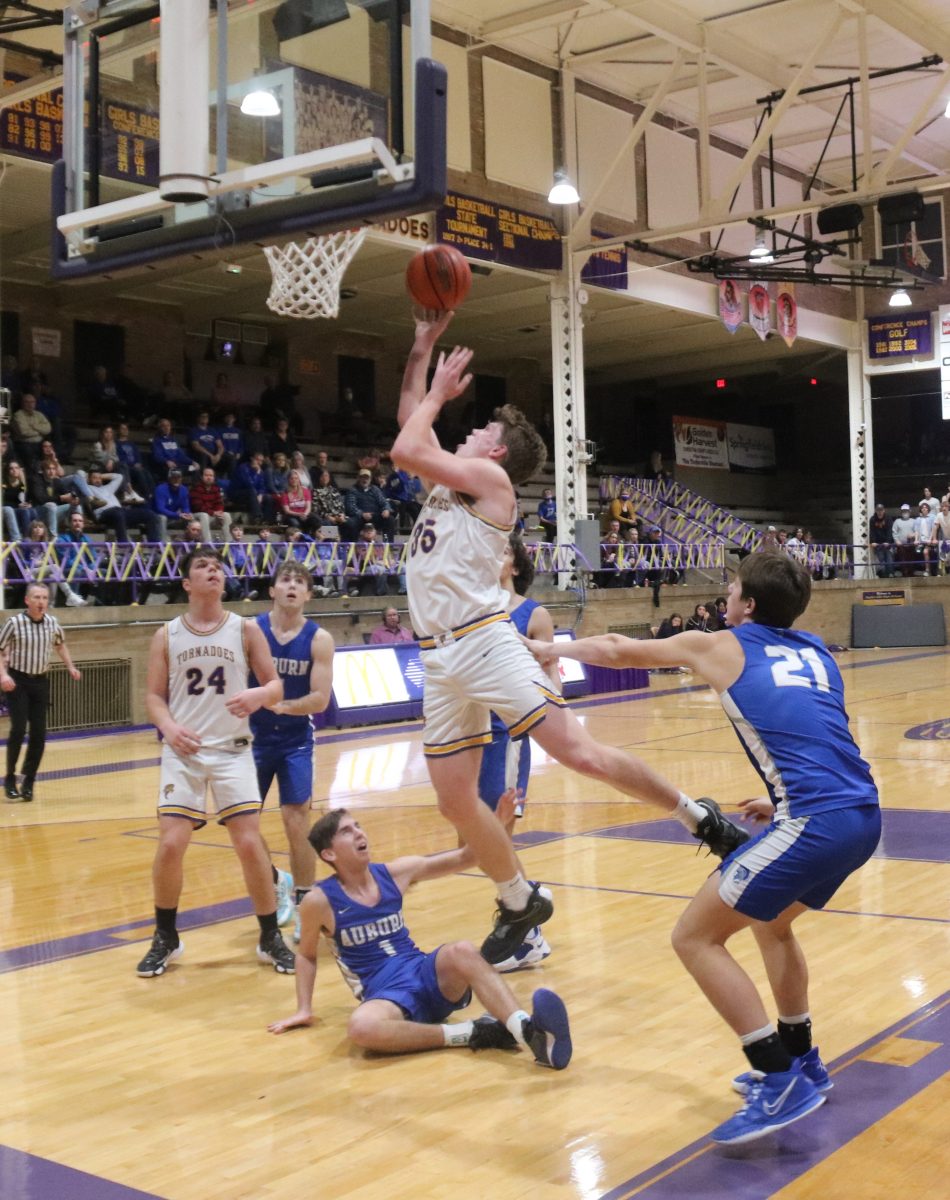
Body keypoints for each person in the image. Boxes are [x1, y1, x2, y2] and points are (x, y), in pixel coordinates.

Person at [391, 311, 746, 966]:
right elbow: (410, 423)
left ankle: (699, 816)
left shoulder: (493, 485)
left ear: (495, 452)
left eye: (480, 428)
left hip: (482, 642)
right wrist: (421, 351)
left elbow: (407, 445)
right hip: (437, 660)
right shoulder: (448, 483)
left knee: (579, 754)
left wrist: (441, 392)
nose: (465, 429)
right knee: (452, 800)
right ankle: (518, 899)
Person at [527, 552, 880, 1145]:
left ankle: (777, 1077)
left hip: (817, 820)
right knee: (771, 926)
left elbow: (616, 648)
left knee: (693, 936)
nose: (726, 597)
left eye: (733, 589)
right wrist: (781, 797)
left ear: (747, 605)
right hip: (861, 812)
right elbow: (818, 729)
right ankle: (803, 1059)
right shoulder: (817, 649)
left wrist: (550, 651)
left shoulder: (722, 644)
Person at [267, 808, 573, 1070]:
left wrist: (500, 822)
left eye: (358, 826)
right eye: (347, 831)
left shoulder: (395, 872)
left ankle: (527, 1032)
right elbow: (306, 954)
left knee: (462, 950)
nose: (360, 833)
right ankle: (471, 1033)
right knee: (361, 1028)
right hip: (386, 995)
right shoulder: (319, 901)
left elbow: (468, 856)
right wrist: (303, 1008)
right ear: (329, 853)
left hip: (425, 974)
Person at [136, 546, 296, 978]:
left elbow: (276, 685)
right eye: (202, 567)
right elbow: (153, 696)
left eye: (218, 567)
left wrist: (259, 695)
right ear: (187, 584)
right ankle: (166, 936)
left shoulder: (245, 629)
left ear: (224, 582)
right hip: (183, 752)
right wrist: (168, 728)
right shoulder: (166, 634)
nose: (213, 571)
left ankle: (269, 936)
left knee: (248, 844)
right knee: (170, 844)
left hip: (232, 750)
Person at [477, 534, 556, 971]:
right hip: (468, 733)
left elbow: (553, 685)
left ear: (514, 564)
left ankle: (527, 933)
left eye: (502, 550)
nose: (493, 555)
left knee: (499, 833)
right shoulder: (469, 610)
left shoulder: (533, 614)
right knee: (474, 838)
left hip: (506, 734)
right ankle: (528, 904)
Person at [249, 563, 334, 941]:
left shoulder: (319, 639)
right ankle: (274, 880)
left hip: (295, 739)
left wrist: (283, 706)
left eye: (300, 583)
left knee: (296, 820)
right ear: (272, 589)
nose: (292, 587)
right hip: (251, 737)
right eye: (285, 580)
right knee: (243, 824)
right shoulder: (250, 631)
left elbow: (320, 699)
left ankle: (304, 904)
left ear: (308, 595)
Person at [0, 581, 82, 802]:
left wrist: (70, 667)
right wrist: (3, 675)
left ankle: (29, 781)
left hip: (40, 681)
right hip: (17, 680)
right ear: (27, 600)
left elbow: (60, 645)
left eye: (44, 598)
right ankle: (9, 777)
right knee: (18, 729)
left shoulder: (52, 623)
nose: (41, 602)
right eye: (36, 597)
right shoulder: (14, 623)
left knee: (39, 734)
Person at [868, 502, 895, 578]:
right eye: (878, 510)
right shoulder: (872, 519)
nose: (879, 512)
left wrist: (888, 541)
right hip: (878, 544)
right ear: (876, 511)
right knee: (881, 561)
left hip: (887, 544)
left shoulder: (888, 518)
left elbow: (890, 531)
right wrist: (872, 541)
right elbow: (872, 531)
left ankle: (890, 575)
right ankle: (884, 576)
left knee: (889, 560)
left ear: (884, 511)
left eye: (881, 510)